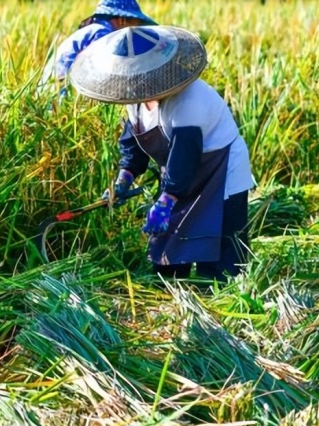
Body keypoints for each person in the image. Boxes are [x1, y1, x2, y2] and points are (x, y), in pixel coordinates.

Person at [69, 25, 255, 281]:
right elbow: (133, 145)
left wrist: (166, 201)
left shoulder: (188, 101)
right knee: (166, 254)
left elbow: (184, 157)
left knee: (220, 257)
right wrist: (123, 179)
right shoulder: (135, 102)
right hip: (180, 176)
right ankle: (173, 297)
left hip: (220, 170)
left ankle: (217, 303)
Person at [40, 0, 157, 90]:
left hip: (50, 92)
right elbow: (102, 74)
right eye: (135, 25)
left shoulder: (93, 30)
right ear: (122, 21)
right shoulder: (103, 34)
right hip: (61, 97)